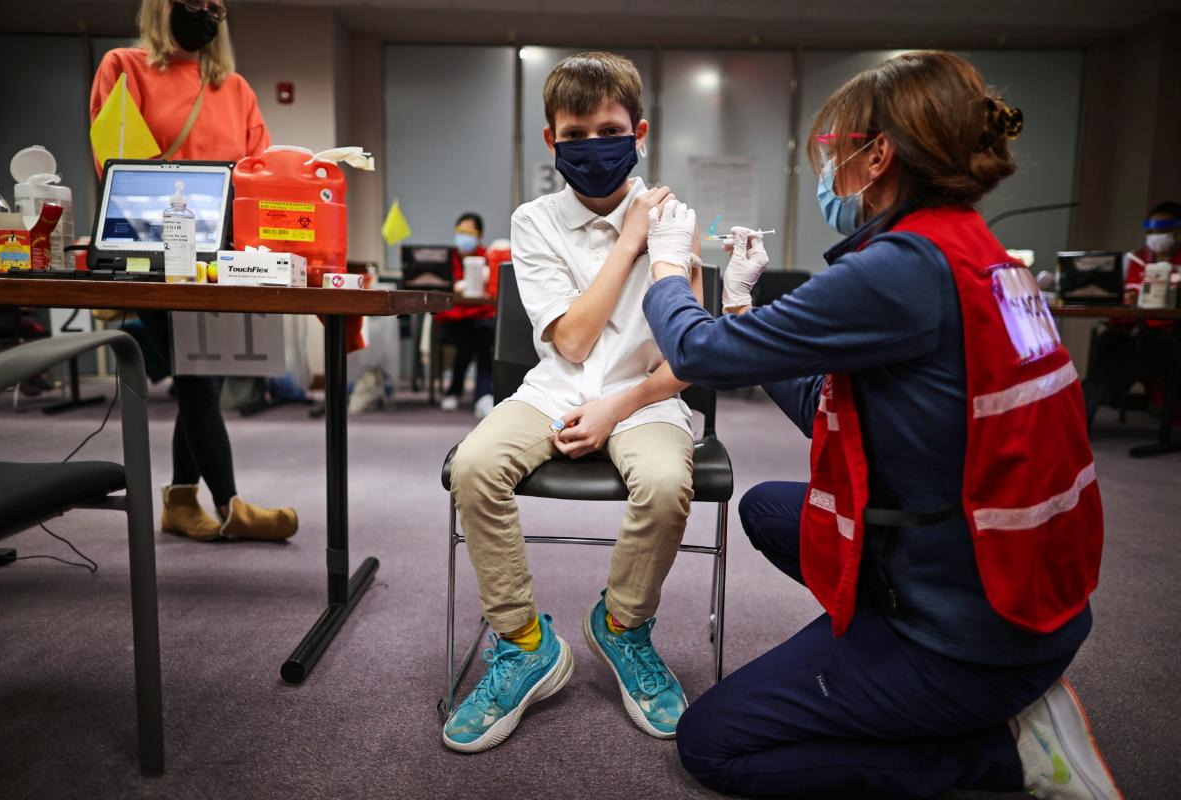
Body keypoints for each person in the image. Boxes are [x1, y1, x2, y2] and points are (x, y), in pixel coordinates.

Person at [643, 51, 1120, 799]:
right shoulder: (982, 255)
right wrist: (743, 306)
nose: (827, 169)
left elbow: (697, 352)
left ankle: (1003, 754)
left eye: (832, 150)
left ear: (879, 155)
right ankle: (904, 668)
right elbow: (832, 413)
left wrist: (669, 269)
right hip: (1014, 587)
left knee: (712, 746)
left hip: (975, 635)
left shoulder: (900, 269)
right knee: (769, 508)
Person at [442, 51, 703, 753]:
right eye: (576, 133)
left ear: (640, 132)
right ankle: (526, 642)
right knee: (474, 467)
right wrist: (628, 243)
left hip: (645, 398)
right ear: (552, 141)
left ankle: (621, 626)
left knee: (667, 481)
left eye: (610, 129)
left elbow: (691, 355)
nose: (594, 146)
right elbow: (578, 343)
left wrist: (618, 409)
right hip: (555, 388)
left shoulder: (675, 219)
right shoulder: (533, 221)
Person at [90, 0, 297, 542]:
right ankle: (231, 505)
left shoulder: (237, 87)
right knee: (199, 381)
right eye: (194, 3)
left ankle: (181, 500)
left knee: (203, 375)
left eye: (215, 6)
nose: (205, 14)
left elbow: (257, 172)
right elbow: (116, 167)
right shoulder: (123, 67)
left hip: (220, 261)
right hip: (155, 259)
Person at [1081, 200, 1181, 427]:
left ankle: (1081, 411)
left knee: (1126, 354)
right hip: (1133, 329)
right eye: (1151, 230)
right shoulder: (1135, 260)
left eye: (1163, 230)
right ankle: (1087, 408)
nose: (1155, 236)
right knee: (1109, 341)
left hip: (1170, 334)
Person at [436, 212, 497, 417]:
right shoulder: (445, 258)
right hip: (452, 319)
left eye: (469, 232)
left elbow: (493, 289)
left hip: (480, 317)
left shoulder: (488, 256)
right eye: (460, 231)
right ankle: (483, 396)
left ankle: (455, 392)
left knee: (482, 335)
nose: (464, 236)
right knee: (472, 338)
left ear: (479, 235)